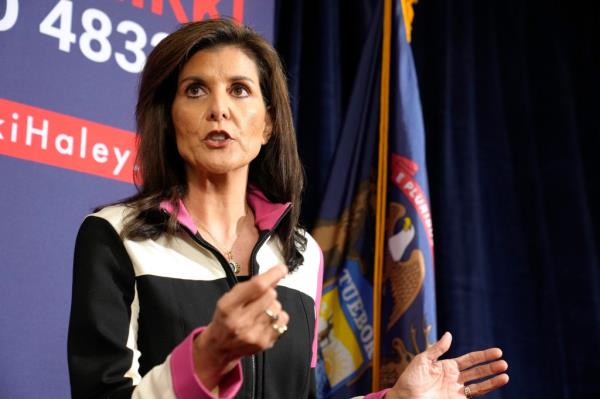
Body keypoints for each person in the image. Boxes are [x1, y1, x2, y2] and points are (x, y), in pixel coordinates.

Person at [67, 19, 509, 399]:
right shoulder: (114, 236)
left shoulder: (302, 253)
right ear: (170, 117)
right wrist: (204, 360)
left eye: (240, 90)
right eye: (195, 90)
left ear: (269, 124)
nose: (219, 109)